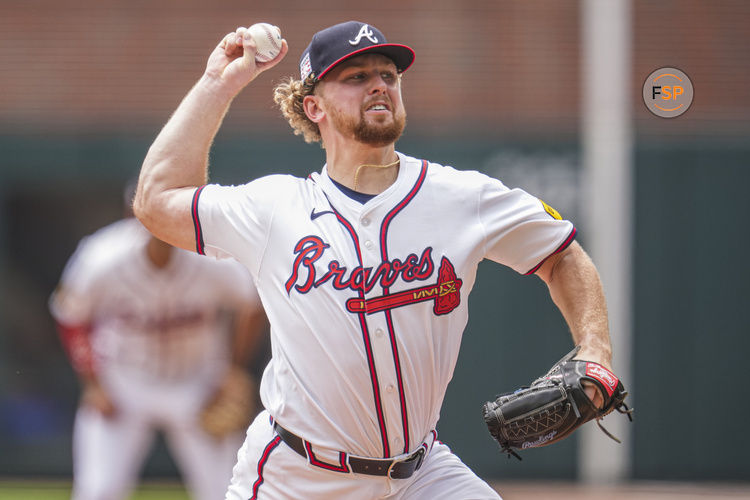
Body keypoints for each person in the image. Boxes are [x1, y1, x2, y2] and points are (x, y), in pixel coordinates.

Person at [134, 20, 614, 499]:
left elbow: (562, 254)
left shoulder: (462, 197)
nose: (379, 84)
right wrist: (219, 84)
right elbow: (156, 201)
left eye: (388, 74)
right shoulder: (273, 209)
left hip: (421, 476)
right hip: (296, 478)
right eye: (356, 76)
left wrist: (595, 350)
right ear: (313, 106)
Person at [49, 191, 269, 500]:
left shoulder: (212, 257)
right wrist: (93, 383)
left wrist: (232, 370)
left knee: (225, 491)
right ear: (132, 216)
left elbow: (251, 304)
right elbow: (70, 315)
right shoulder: (101, 256)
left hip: (197, 384)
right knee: (98, 490)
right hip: (123, 382)